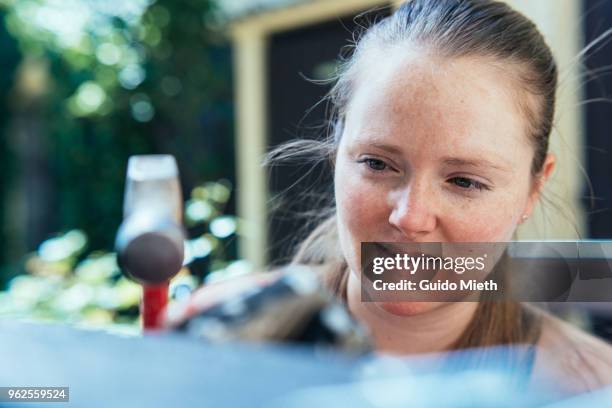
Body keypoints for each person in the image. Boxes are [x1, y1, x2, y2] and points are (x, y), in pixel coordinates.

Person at [167, 0, 612, 395]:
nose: (410, 216)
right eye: (377, 164)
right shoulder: (231, 346)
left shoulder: (587, 389)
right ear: (336, 152)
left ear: (534, 188)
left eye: (464, 182)